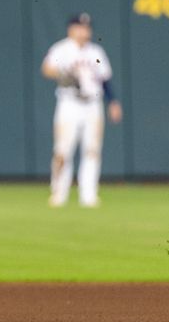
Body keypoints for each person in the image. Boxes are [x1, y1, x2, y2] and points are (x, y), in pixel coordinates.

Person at [41, 12, 122, 208]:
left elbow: (105, 79)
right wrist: (63, 73)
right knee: (62, 150)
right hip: (69, 104)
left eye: (87, 27)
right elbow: (46, 68)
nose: (84, 31)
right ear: (71, 29)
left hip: (92, 105)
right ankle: (59, 193)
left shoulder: (95, 52)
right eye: (80, 27)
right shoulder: (62, 49)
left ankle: (89, 195)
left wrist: (113, 102)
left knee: (92, 150)